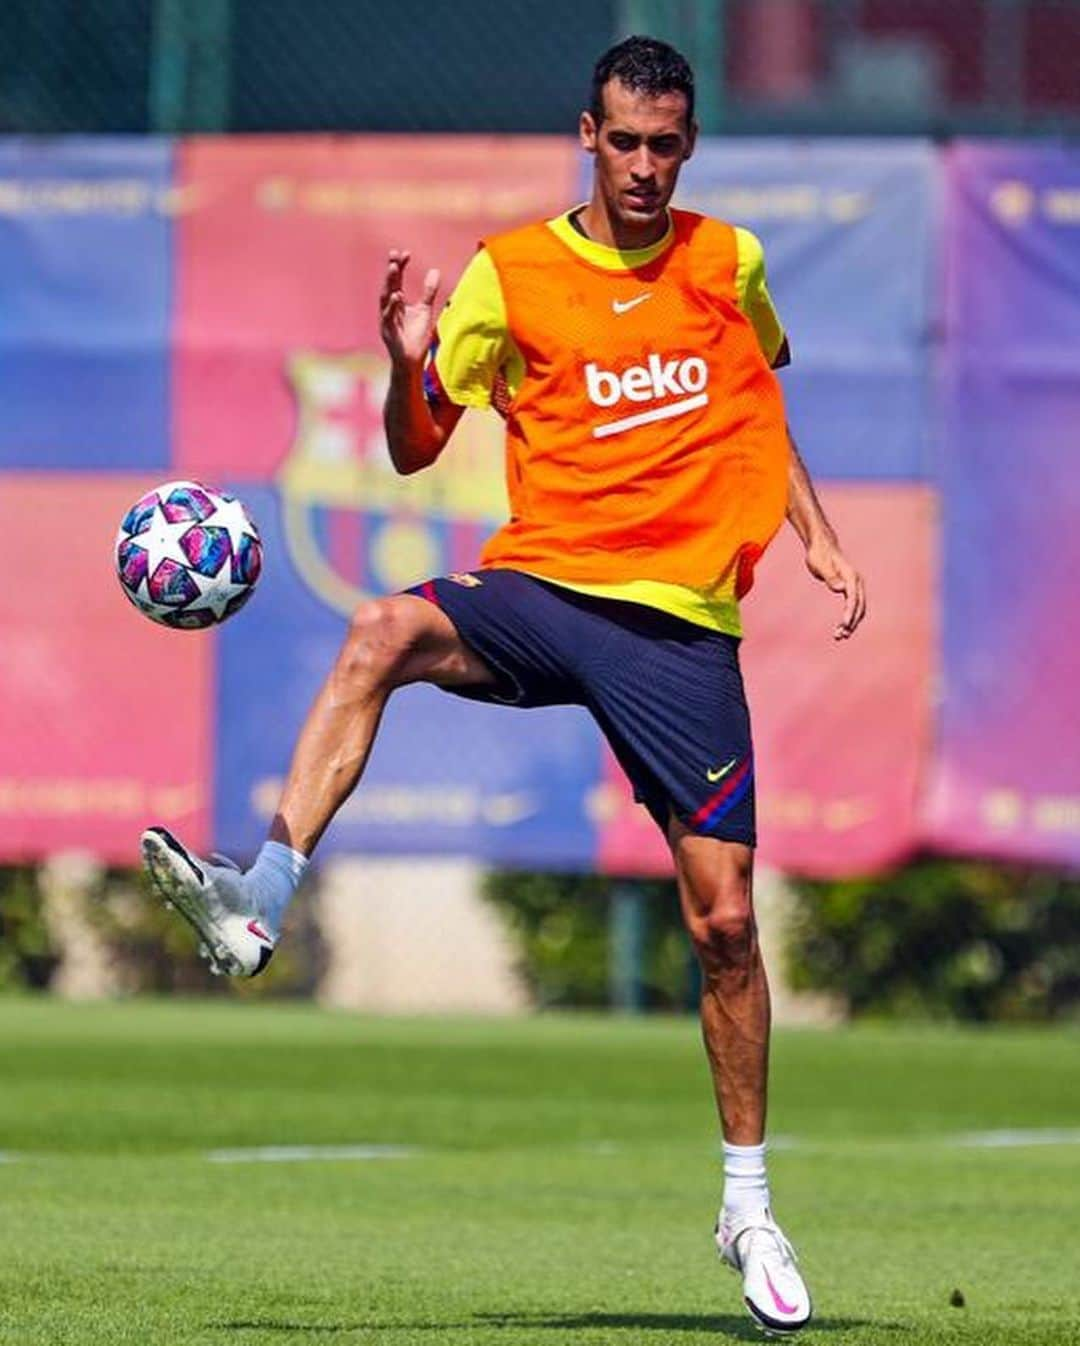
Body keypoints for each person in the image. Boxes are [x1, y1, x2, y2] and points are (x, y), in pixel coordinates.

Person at [141, 34, 865, 1335]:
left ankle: (747, 1201)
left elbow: (760, 404)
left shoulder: (729, 261)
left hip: (678, 628)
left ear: (687, 145)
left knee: (723, 925)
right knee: (375, 634)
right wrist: (407, 359)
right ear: (584, 134)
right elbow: (417, 449)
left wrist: (813, 529)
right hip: (543, 586)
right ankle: (261, 894)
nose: (644, 167)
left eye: (666, 144)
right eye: (623, 141)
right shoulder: (509, 274)